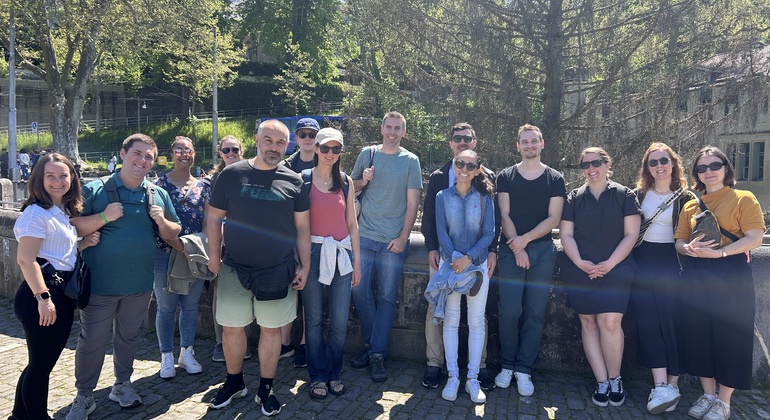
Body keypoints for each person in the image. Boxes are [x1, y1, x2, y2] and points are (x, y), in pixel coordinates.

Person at [65, 134, 181, 420]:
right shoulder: (95, 189)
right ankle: (84, 395)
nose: (142, 160)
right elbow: (70, 226)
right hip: (99, 285)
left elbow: (174, 232)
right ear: (123, 153)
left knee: (129, 337)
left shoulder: (157, 193)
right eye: (137, 153)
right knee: (92, 341)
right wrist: (104, 217)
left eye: (149, 157)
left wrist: (161, 220)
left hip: (139, 285)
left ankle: (122, 385)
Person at [206, 119, 310, 416]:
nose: (274, 147)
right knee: (232, 329)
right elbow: (214, 219)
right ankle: (234, 381)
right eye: (269, 140)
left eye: (280, 143)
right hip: (234, 267)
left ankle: (266, 387)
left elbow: (303, 228)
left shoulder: (295, 181)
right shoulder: (230, 175)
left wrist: (305, 265)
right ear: (256, 140)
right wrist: (213, 258)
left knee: (271, 330)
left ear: (287, 145)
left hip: (277, 269)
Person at [674, 146, 764, 420]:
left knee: (731, 336)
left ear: (726, 169)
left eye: (715, 165)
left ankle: (724, 401)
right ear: (696, 174)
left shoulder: (743, 198)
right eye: (702, 168)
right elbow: (679, 241)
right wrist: (687, 248)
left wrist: (721, 253)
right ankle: (708, 394)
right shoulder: (691, 205)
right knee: (698, 334)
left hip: (731, 272)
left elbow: (755, 238)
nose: (709, 172)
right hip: (697, 272)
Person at [11, 153, 99, 420]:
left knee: (40, 364)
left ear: (72, 178)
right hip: (43, 295)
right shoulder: (35, 213)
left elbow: (55, 254)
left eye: (63, 175)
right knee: (41, 366)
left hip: (59, 293)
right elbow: (26, 259)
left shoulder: (60, 211)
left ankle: (19, 416)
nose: (58, 181)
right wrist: (43, 298)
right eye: (50, 176)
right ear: (39, 179)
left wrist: (82, 244)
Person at [559, 147, 641, 408]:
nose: (590, 169)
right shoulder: (574, 197)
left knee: (610, 322)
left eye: (596, 163)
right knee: (589, 322)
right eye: (585, 165)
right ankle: (601, 381)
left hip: (616, 268)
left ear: (607, 164)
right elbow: (566, 235)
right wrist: (580, 263)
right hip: (581, 269)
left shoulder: (624, 195)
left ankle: (615, 379)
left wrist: (609, 264)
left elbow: (631, 235)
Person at [420, 122, 497, 390]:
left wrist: (488, 252)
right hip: (445, 259)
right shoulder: (439, 178)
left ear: (474, 143)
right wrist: (435, 248)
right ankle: (436, 365)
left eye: (467, 138)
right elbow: (430, 218)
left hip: (476, 261)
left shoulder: (488, 182)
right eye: (457, 138)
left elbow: (492, 225)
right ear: (451, 143)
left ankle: (478, 369)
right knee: (439, 310)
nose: (462, 141)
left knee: (477, 317)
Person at [350, 111, 422, 382]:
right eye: (388, 127)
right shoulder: (367, 154)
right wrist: (364, 180)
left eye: (397, 128)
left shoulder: (411, 161)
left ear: (404, 132)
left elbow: (413, 203)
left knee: (387, 297)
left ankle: (376, 352)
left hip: (393, 240)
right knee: (358, 290)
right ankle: (375, 348)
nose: (392, 132)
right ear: (381, 129)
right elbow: (350, 189)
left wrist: (403, 237)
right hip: (365, 235)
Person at [494, 124, 566, 396]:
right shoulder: (506, 176)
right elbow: (504, 214)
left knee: (535, 312)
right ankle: (507, 365)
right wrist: (517, 247)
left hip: (542, 251)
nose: (529, 145)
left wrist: (525, 241)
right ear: (518, 146)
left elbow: (554, 218)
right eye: (524, 142)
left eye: (533, 141)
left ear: (541, 143)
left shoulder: (555, 178)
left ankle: (524, 369)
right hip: (510, 250)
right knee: (509, 311)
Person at [631, 142, 695, 414]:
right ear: (647, 168)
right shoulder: (638, 195)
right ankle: (659, 386)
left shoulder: (686, 197)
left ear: (673, 164)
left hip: (673, 264)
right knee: (648, 323)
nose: (659, 166)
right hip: (642, 263)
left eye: (663, 161)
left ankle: (673, 384)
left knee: (671, 324)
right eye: (653, 162)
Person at [302, 128, 361, 399]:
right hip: (312, 253)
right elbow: (297, 225)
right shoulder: (303, 180)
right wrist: (300, 261)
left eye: (335, 149)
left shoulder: (346, 181)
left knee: (339, 321)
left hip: (340, 254)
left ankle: (334, 372)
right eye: (325, 148)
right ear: (316, 148)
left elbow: (352, 224)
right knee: (313, 320)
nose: (329, 153)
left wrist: (357, 262)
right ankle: (317, 375)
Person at [153, 136, 212, 379]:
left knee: (190, 306)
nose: (183, 154)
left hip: (194, 254)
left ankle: (186, 351)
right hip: (165, 254)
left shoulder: (204, 187)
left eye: (188, 150)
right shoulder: (158, 185)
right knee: (166, 307)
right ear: (171, 154)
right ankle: (166, 354)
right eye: (178, 150)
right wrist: (179, 246)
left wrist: (198, 247)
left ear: (194, 154)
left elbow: (208, 222)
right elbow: (156, 223)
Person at [207, 135, 251, 363]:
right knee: (221, 295)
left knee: (246, 292)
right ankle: (220, 341)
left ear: (241, 151)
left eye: (235, 149)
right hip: (222, 244)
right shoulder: (214, 180)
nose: (231, 153)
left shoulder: (250, 175)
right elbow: (211, 215)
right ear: (220, 153)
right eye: (226, 150)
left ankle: (244, 341)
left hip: (246, 243)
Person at [280, 118, 321, 368]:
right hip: (289, 234)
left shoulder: (325, 160)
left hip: (316, 235)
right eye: (303, 134)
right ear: (296, 138)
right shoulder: (285, 166)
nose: (307, 138)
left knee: (309, 295)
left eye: (311, 134)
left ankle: (305, 344)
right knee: (288, 290)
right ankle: (284, 343)